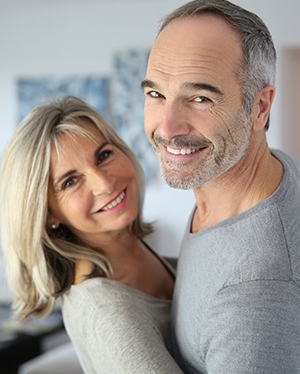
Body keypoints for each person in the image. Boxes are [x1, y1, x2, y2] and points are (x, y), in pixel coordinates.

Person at [142, 0, 300, 374]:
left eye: (200, 98)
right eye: (155, 94)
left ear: (260, 107)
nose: (166, 128)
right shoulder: (267, 172)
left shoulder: (257, 294)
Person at [0, 96, 184, 374]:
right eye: (70, 181)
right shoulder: (105, 311)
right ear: (47, 214)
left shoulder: (131, 250)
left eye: (104, 155)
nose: (104, 183)